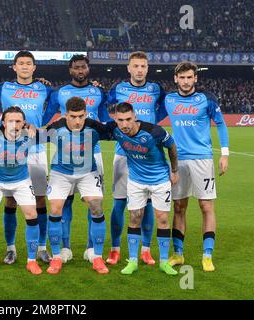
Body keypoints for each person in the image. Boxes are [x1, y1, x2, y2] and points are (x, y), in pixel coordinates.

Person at [42, 54, 111, 263]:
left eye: (83, 67)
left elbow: (106, 118)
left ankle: (92, 249)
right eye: (76, 67)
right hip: (65, 153)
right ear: (70, 70)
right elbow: (46, 119)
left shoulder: (98, 91)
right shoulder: (60, 93)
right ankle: (65, 248)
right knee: (64, 203)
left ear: (88, 69)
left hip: (93, 153)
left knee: (95, 203)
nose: (80, 70)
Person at [0, 50, 53, 264]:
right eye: (20, 63)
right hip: (10, 149)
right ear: (14, 67)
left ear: (34, 67)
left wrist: (40, 123)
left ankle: (41, 247)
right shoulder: (4, 87)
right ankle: (11, 248)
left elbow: (54, 105)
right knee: (11, 199)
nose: (24, 66)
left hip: (36, 150)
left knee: (41, 199)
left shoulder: (44, 87)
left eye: (28, 63)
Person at [98, 102, 180, 276]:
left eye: (128, 119)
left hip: (159, 180)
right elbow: (93, 128)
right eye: (120, 120)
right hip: (135, 181)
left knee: (163, 219)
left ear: (135, 116)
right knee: (134, 217)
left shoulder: (154, 132)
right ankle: (133, 261)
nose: (125, 124)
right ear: (115, 119)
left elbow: (172, 146)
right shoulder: (115, 129)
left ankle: (164, 262)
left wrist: (174, 170)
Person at [164, 61, 229, 272]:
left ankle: (207, 255)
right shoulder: (169, 99)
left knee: (206, 206)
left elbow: (220, 123)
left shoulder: (206, 99)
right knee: (179, 207)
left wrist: (224, 154)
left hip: (203, 159)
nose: (185, 81)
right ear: (176, 79)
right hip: (178, 159)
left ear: (195, 78)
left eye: (189, 77)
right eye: (181, 78)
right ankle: (178, 254)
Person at [106, 51, 167, 265]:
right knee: (119, 203)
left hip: (149, 157)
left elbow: (162, 112)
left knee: (148, 205)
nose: (139, 70)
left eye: (143, 66)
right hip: (123, 154)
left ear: (147, 68)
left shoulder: (156, 89)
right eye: (136, 66)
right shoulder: (118, 89)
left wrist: (150, 125)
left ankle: (146, 249)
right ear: (129, 68)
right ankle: (115, 249)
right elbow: (108, 111)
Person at [0, 106, 42, 276]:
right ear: (3, 123)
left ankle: (32, 261)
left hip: (21, 181)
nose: (14, 124)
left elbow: (55, 133)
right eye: (10, 121)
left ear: (24, 123)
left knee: (32, 214)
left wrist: (36, 128)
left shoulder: (30, 136)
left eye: (18, 121)